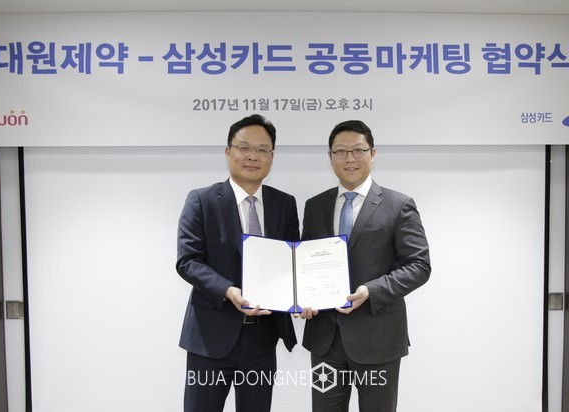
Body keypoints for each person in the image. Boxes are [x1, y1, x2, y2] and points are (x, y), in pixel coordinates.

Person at [299, 120, 431, 412]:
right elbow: (307, 262)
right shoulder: (315, 205)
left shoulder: (398, 204)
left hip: (378, 339)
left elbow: (419, 265)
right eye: (341, 151)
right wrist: (302, 298)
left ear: (373, 153)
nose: (350, 158)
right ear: (330, 156)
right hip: (325, 339)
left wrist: (371, 291)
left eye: (358, 150)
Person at [176, 114, 299, 412]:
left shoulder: (284, 203)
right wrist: (230, 291)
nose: (253, 156)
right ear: (228, 151)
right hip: (210, 336)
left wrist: (301, 295)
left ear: (272, 156)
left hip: (263, 336)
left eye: (262, 149)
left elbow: (293, 261)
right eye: (244, 147)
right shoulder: (202, 200)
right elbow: (188, 261)